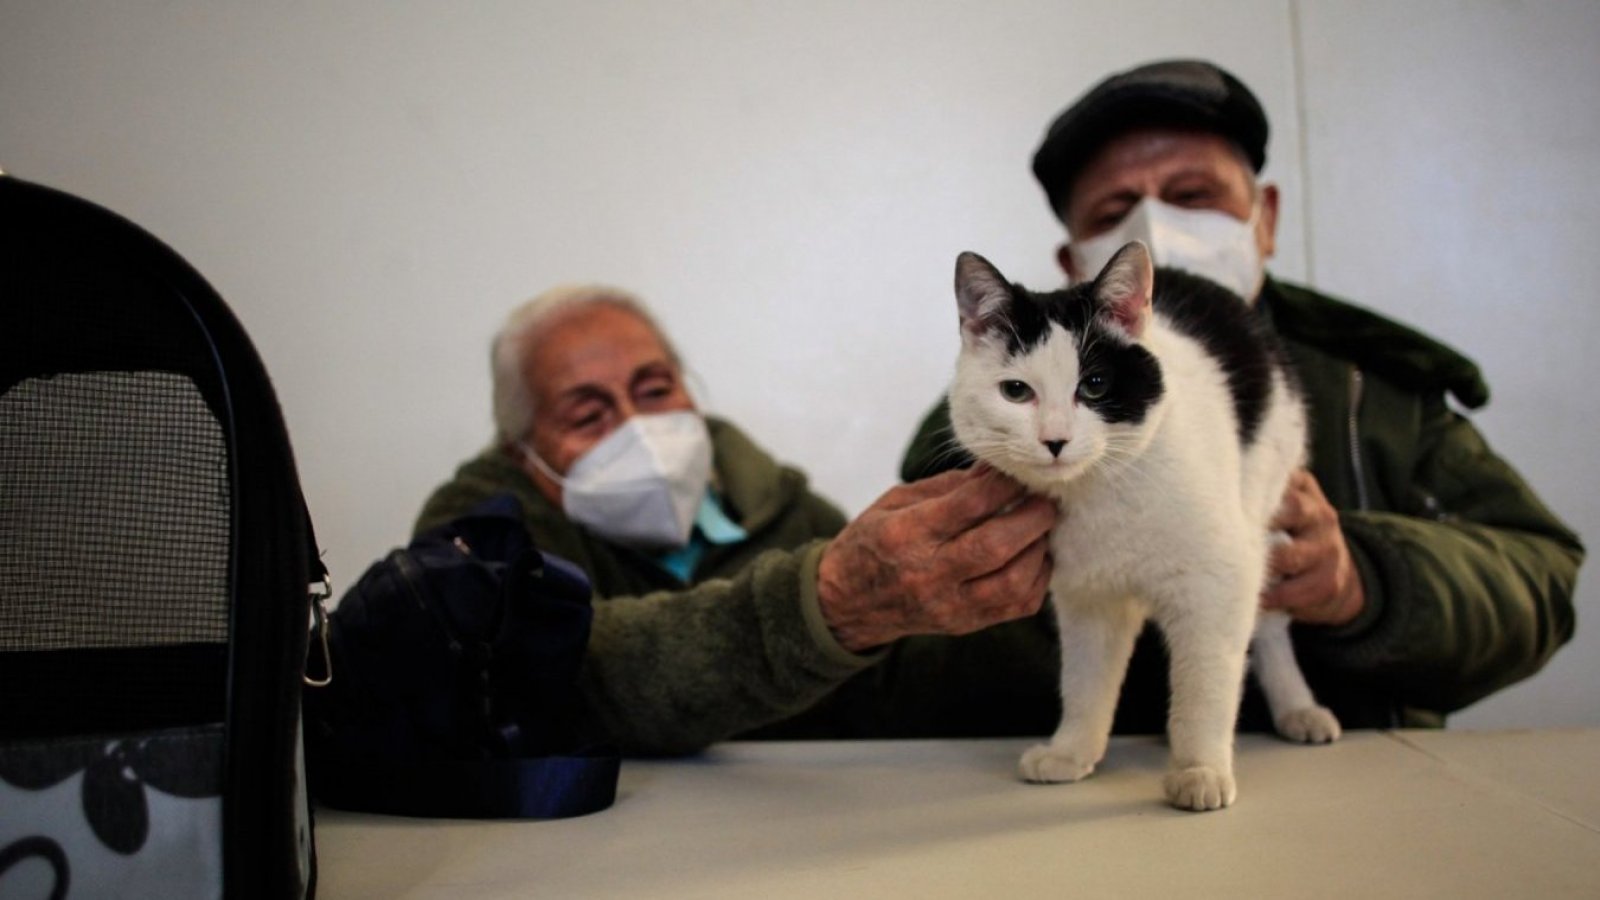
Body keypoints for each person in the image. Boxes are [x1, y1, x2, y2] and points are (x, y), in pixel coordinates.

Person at [900, 58, 1584, 731]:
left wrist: (1366, 581)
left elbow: (1543, 579)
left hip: (1366, 787)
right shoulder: (988, 423)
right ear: (1072, 263)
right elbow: (936, 658)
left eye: (1194, 195)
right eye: (1115, 210)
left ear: (1267, 218)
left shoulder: (1374, 388)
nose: (1155, 231)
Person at [415, 284, 1056, 753]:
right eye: (588, 416)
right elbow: (543, 678)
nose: (637, 429)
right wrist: (826, 606)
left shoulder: (782, 507)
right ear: (520, 452)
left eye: (654, 390)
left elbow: (890, 691)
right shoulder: (479, 527)